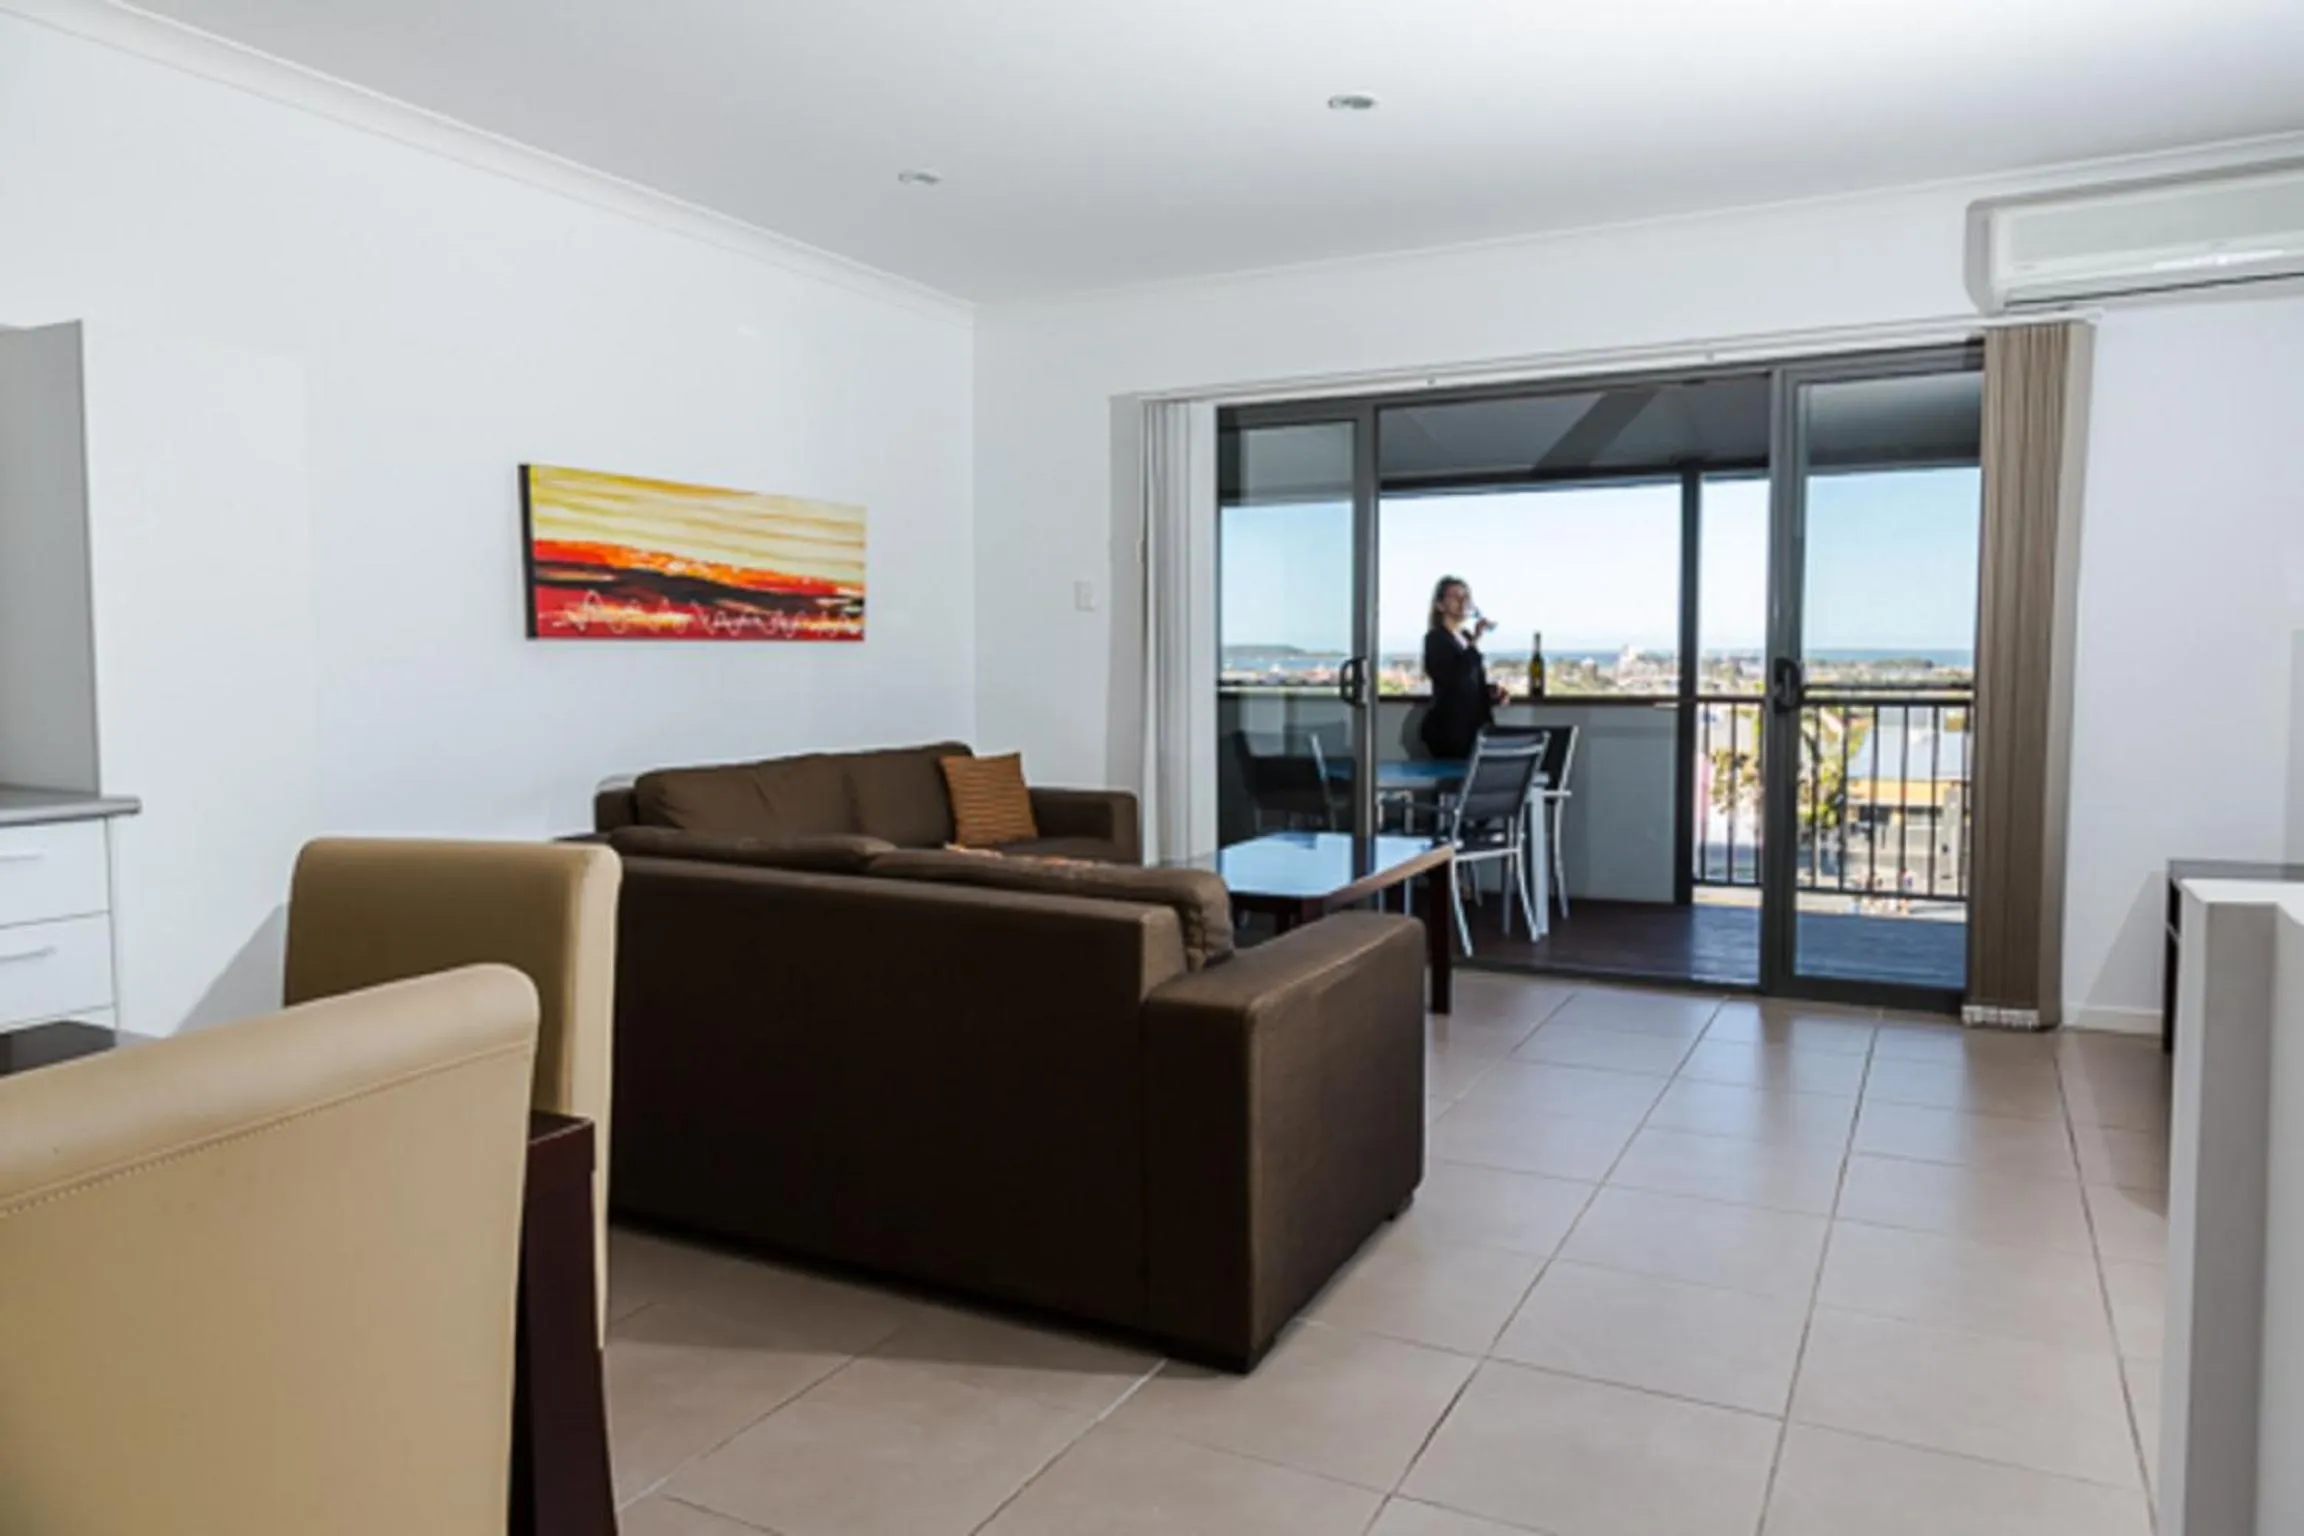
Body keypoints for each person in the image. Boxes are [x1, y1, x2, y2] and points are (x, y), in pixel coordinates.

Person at [1420, 576, 1508, 760]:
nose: (1463, 602)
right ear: (1440, 605)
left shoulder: (1465, 637)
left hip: (1474, 727)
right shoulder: (1436, 639)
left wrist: (1490, 692)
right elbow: (1452, 679)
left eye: (1466, 597)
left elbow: (1470, 682)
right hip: (1450, 730)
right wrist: (1475, 640)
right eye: (1455, 597)